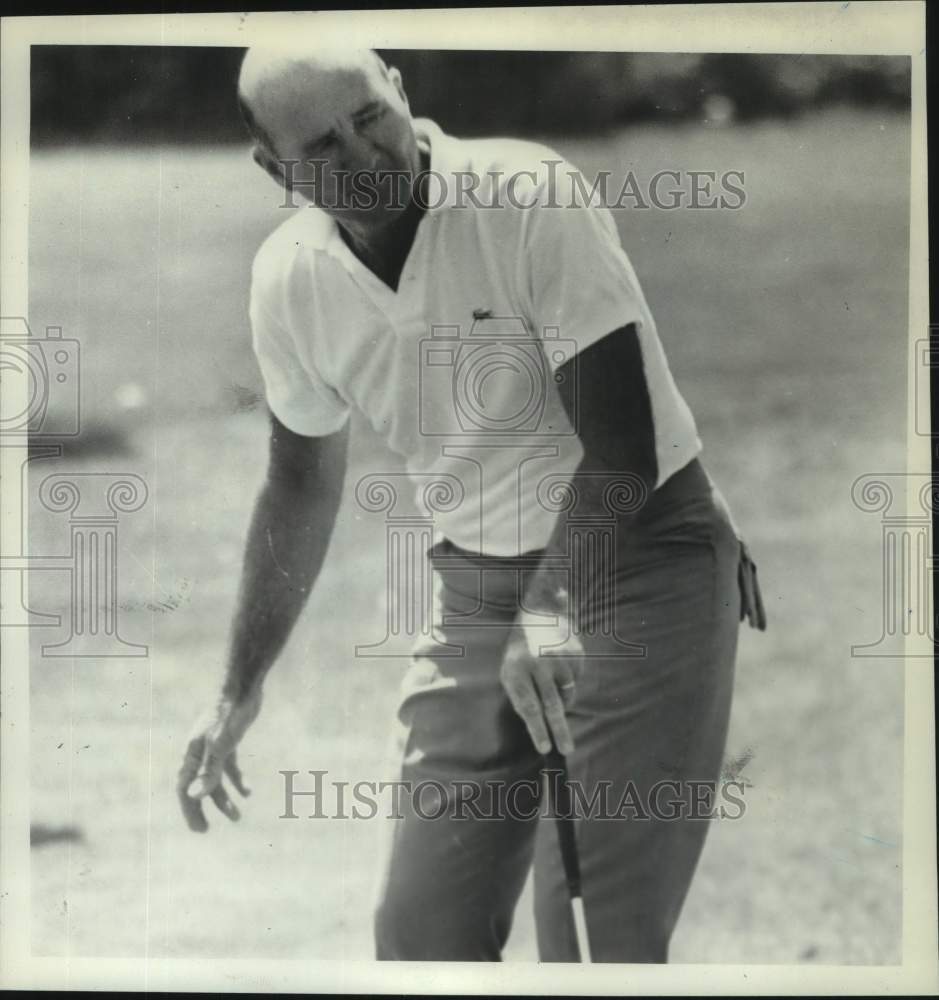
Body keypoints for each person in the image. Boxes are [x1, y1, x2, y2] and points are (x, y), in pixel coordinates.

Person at [177, 45, 766, 963]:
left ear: (401, 93)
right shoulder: (287, 280)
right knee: (421, 935)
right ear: (274, 169)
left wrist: (551, 609)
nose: (363, 156)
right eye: (321, 146)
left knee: (587, 921)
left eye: (369, 116)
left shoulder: (526, 193)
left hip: (639, 554)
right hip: (478, 592)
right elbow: (299, 481)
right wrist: (235, 689)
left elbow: (621, 446)